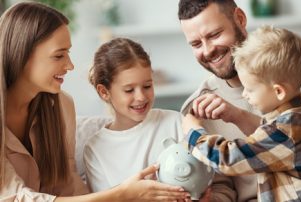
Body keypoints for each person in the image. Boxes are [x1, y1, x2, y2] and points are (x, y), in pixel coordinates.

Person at [0, 2, 189, 202]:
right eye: (58, 55)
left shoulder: (61, 107)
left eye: (68, 53)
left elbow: (67, 187)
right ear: (22, 54)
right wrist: (124, 194)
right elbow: (15, 198)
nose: (70, 65)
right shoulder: (97, 149)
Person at [178, 0, 301, 201]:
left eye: (215, 35)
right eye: (195, 44)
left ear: (240, 18)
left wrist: (193, 134)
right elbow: (274, 133)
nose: (208, 50)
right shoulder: (196, 108)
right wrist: (237, 116)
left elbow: (231, 157)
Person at [83, 37, 192, 199]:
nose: (141, 97)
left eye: (147, 86)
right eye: (129, 90)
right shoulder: (95, 149)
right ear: (104, 92)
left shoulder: (175, 122)